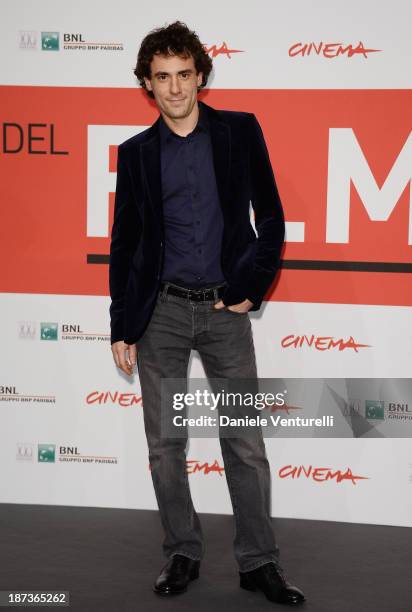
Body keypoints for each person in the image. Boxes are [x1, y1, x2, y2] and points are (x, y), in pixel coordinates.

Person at [109, 20, 305, 606]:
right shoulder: (137, 154)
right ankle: (182, 551)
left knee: (244, 442)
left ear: (201, 76)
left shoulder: (239, 132)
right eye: (162, 78)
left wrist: (251, 285)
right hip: (162, 313)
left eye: (184, 75)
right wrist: (122, 324)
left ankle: (259, 563)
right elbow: (127, 244)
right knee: (166, 445)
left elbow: (271, 219)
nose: (174, 88)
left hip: (225, 310)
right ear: (148, 84)